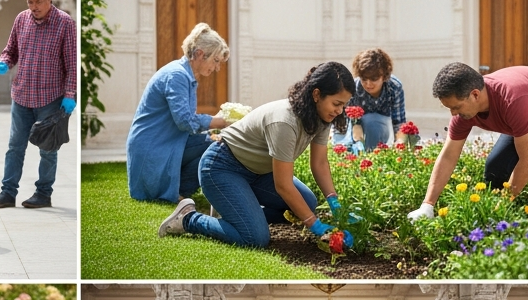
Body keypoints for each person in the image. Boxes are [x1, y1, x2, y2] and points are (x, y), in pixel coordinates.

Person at [159, 62, 356, 249]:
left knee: (308, 203)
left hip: (258, 173)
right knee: (255, 238)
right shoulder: (286, 122)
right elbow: (283, 186)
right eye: (336, 103)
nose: (339, 111)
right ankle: (189, 219)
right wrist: (316, 226)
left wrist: (335, 203)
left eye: (343, 105)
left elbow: (320, 163)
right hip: (222, 167)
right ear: (316, 94)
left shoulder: (321, 117)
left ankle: (236, 213)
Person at [408, 62, 528, 220]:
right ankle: (510, 219)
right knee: (495, 169)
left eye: (456, 107)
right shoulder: (464, 113)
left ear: (475, 95)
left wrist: (501, 206)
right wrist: (428, 204)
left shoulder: (512, 100)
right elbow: (448, 156)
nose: (453, 114)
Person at [0, 0, 77, 210]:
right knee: (15, 146)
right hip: (22, 95)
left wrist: (70, 94)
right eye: (29, 2)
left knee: (48, 149)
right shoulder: (21, 20)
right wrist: (4, 63)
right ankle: (8, 193)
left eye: (38, 1)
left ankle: (43, 193)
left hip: (51, 98)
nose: (34, 7)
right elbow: (11, 51)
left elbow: (71, 63)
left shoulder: (65, 23)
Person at [126, 23, 232, 203]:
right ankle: (176, 192)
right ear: (199, 54)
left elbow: (187, 124)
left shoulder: (184, 75)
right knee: (217, 147)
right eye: (215, 61)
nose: (217, 68)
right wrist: (219, 122)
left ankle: (179, 190)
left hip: (164, 143)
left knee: (216, 142)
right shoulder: (177, 76)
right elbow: (185, 122)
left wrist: (213, 128)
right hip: (154, 148)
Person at [330, 48, 408, 151]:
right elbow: (341, 120)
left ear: (384, 76)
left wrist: (400, 145)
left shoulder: (394, 87)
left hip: (380, 127)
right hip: (354, 128)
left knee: (373, 121)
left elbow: (399, 122)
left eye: (374, 79)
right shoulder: (353, 88)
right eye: (364, 79)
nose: (368, 84)